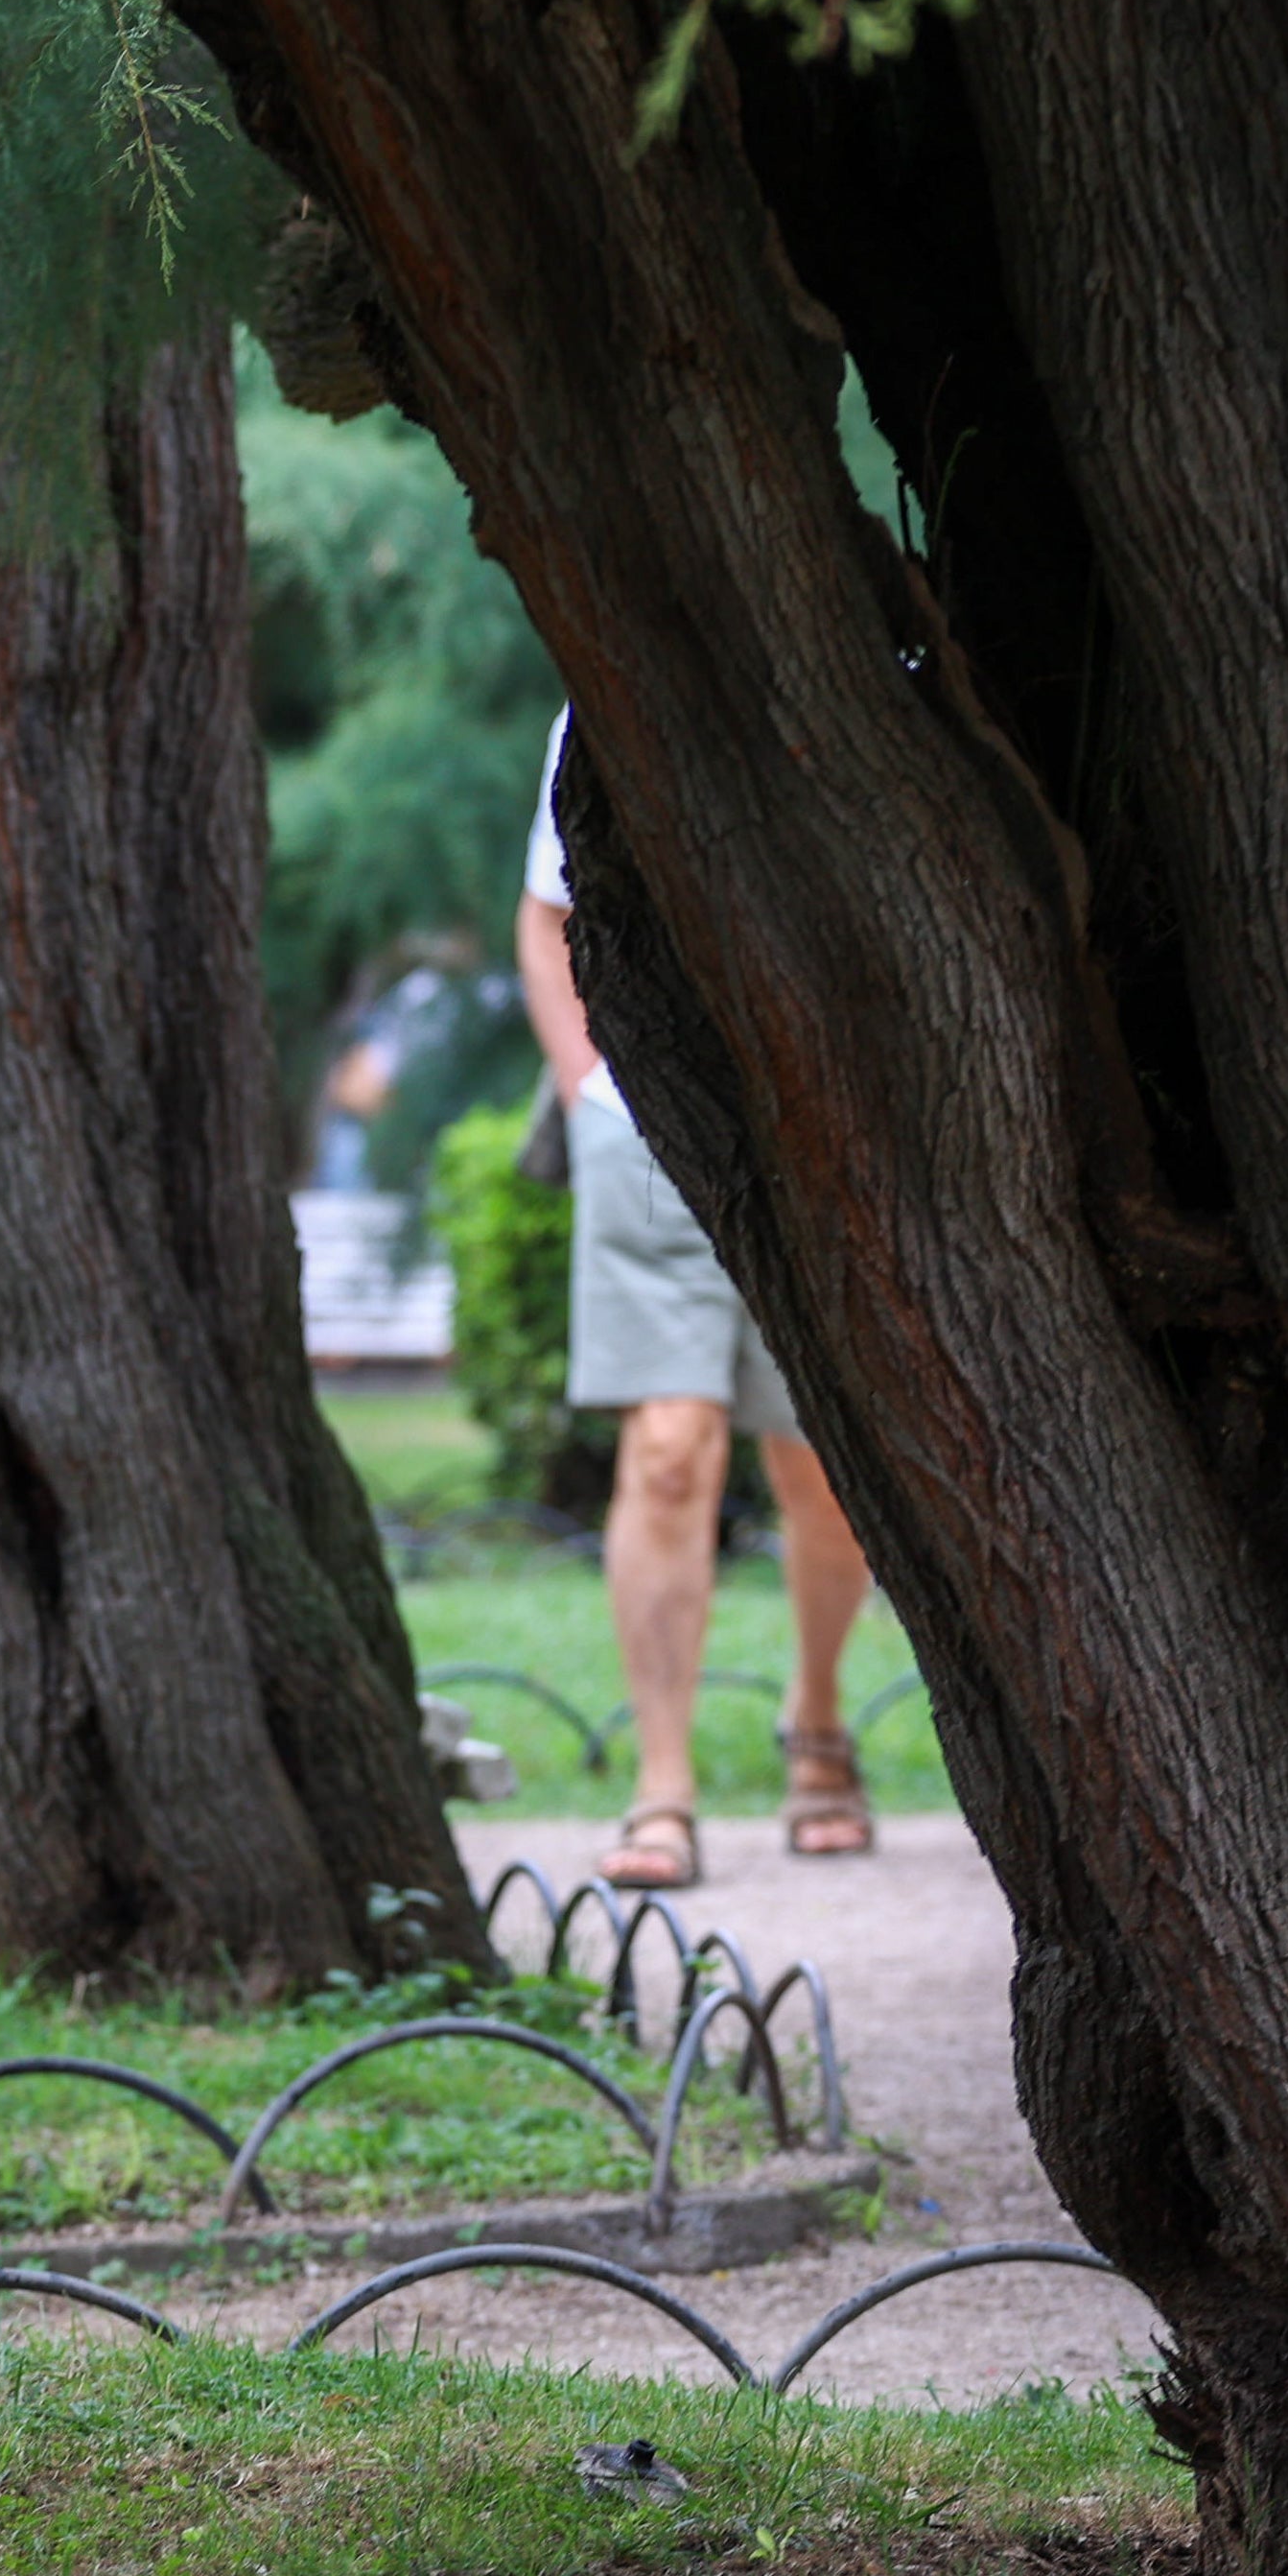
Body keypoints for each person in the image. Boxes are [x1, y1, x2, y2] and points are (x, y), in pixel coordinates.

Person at [512, 719, 878, 1880]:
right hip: (642, 1127)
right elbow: (545, 914)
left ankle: (815, 1718)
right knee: (668, 1449)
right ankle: (660, 1784)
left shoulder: (860, 668)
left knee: (820, 1467)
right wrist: (589, 1091)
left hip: (824, 1133)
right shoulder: (598, 700)